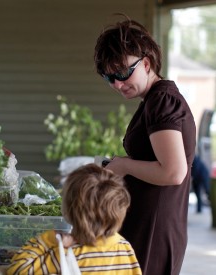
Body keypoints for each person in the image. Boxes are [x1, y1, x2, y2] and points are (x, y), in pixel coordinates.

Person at [94, 16, 196, 275]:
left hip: (154, 229)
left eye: (123, 72)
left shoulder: (162, 100)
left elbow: (173, 172)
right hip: (148, 223)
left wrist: (124, 165)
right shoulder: (153, 100)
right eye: (109, 78)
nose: (117, 83)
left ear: (147, 63)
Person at [7, 164, 142, 275]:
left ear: (68, 211)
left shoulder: (65, 253)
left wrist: (50, 238)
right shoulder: (124, 247)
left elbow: (18, 270)